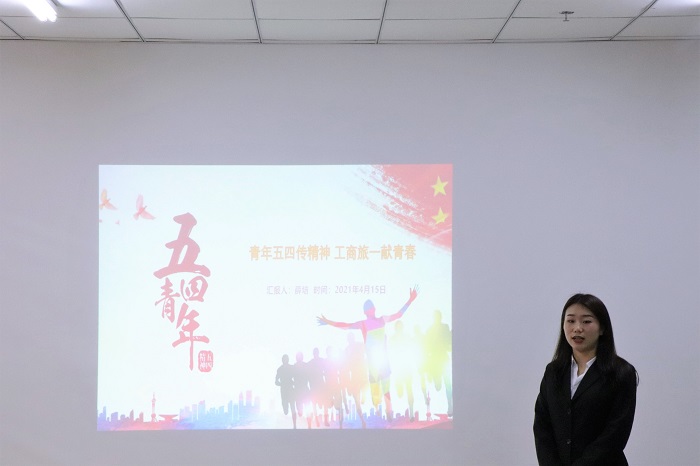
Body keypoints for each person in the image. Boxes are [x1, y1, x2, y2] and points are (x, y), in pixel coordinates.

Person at [534, 294, 638, 466]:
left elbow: (615, 434)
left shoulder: (621, 373)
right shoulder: (553, 372)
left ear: (602, 328)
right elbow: (542, 425)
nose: (577, 328)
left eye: (586, 321)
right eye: (571, 321)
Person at [318, 286, 418, 421]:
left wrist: (410, 300)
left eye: (371, 308)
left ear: (374, 309)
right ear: (366, 312)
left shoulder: (382, 320)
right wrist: (329, 322)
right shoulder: (364, 324)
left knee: (386, 389)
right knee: (376, 395)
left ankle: (389, 411)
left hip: (383, 361)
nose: (371, 311)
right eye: (369, 309)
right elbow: (345, 326)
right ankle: (378, 407)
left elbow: (399, 314)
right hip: (373, 365)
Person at [274, 354, 297, 429]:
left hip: (290, 390)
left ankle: (294, 425)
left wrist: (293, 383)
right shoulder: (280, 369)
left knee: (293, 407)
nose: (285, 360)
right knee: (286, 411)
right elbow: (276, 382)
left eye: (286, 359)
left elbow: (296, 377)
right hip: (284, 391)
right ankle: (294, 425)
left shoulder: (291, 368)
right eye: (284, 359)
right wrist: (282, 384)